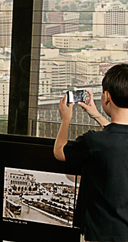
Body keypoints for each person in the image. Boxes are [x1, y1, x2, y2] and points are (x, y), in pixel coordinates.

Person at [53, 63, 128, 241]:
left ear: (107, 96)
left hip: (100, 233)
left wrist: (66, 119)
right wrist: (95, 114)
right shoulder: (106, 140)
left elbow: (60, 152)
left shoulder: (94, 140)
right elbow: (118, 135)